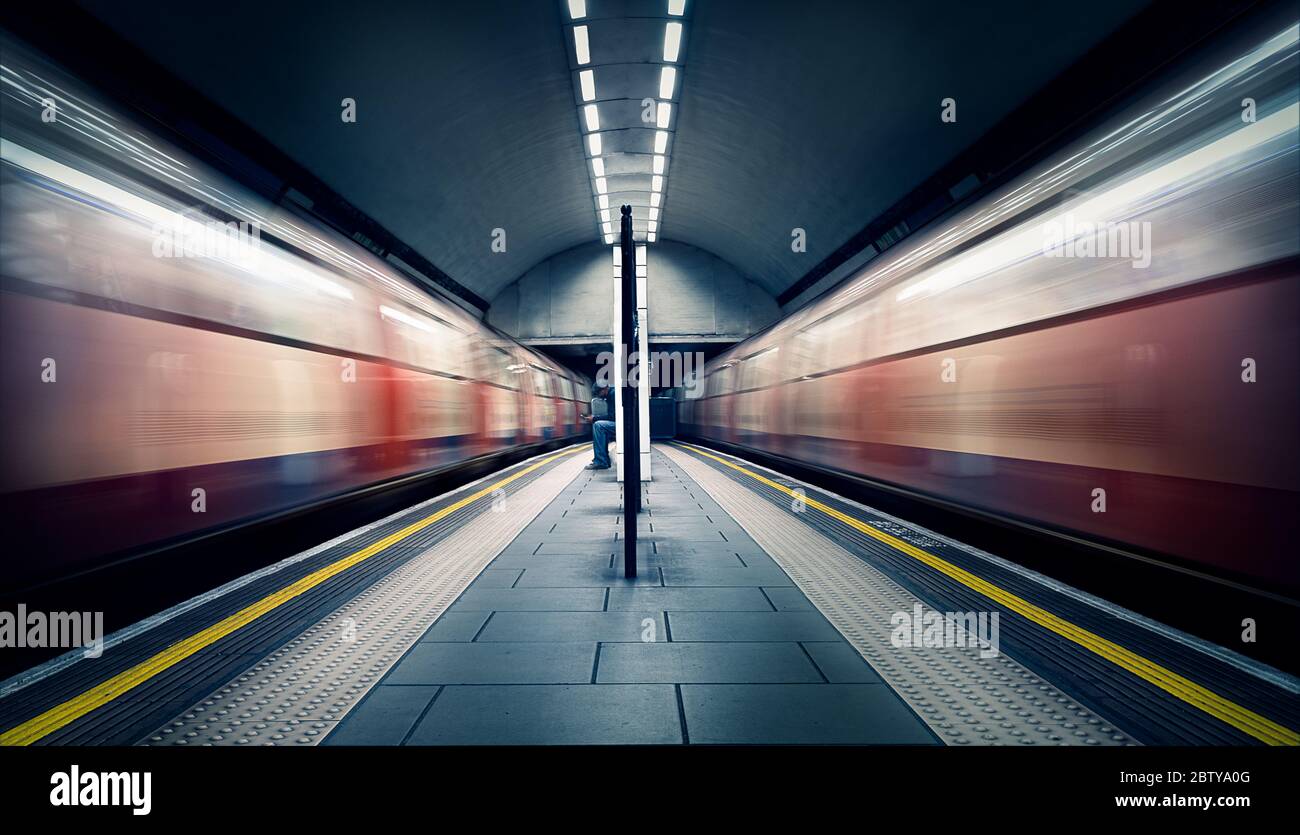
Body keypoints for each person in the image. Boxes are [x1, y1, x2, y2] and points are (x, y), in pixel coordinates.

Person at [582, 382, 616, 470]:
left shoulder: (613, 394)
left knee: (599, 426)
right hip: (624, 423)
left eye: (598, 393)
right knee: (600, 425)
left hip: (624, 425)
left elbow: (613, 417)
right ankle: (604, 460)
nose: (598, 395)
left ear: (605, 389)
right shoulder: (612, 394)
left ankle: (601, 461)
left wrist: (594, 419)